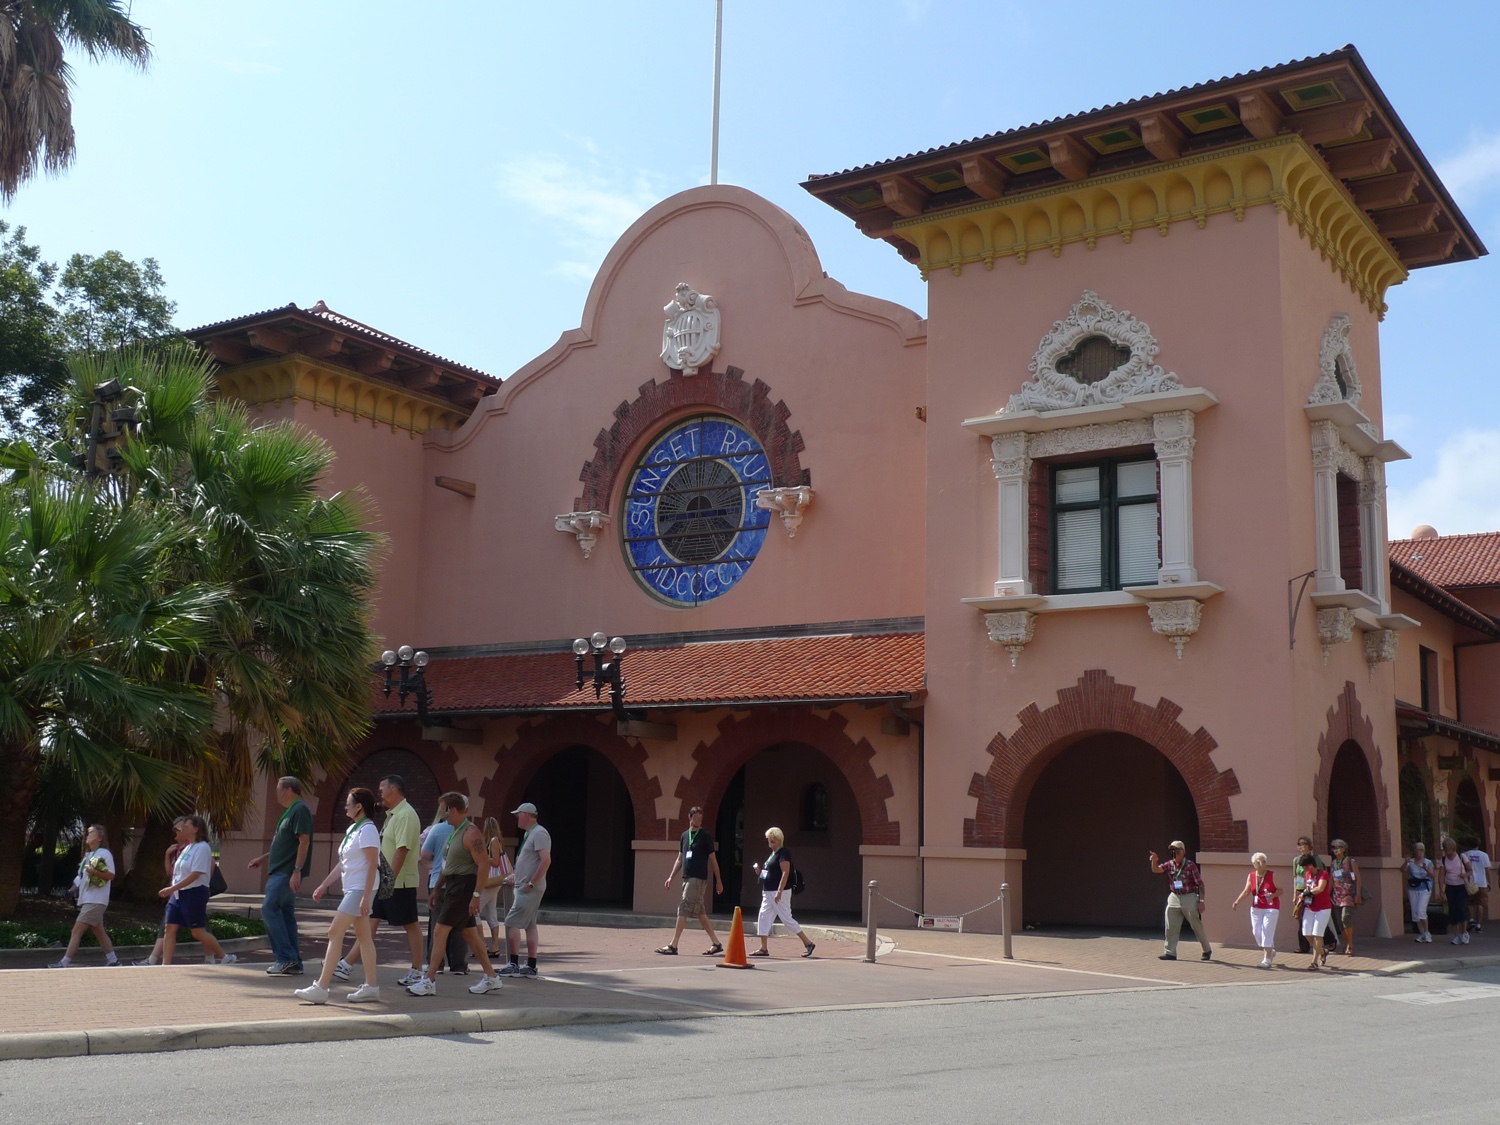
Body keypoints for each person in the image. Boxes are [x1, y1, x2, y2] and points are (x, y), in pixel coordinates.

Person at [406, 793, 503, 996]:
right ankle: (492, 977)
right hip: (451, 886)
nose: (442, 814)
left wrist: (476, 894)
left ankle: (429, 980)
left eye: (444, 810)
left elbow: (484, 864)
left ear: (454, 810)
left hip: (464, 887)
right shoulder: (454, 832)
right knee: (470, 934)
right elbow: (447, 866)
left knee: (440, 931)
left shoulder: (471, 833)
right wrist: (437, 889)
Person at [337, 774, 425, 987]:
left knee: (410, 923)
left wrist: (389, 879)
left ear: (394, 790)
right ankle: (346, 965)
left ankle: (417, 970)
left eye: (382, 788)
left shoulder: (405, 815)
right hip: (384, 881)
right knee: (370, 921)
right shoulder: (393, 815)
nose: (380, 792)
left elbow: (402, 850)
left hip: (399, 882)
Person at [295, 788, 382, 1003]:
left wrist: (364, 897)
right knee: (363, 937)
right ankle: (372, 987)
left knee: (334, 932)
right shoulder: (354, 829)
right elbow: (344, 863)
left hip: (360, 889)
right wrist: (324, 885)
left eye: (348, 803)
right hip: (353, 887)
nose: (345, 806)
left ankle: (321, 988)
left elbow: (373, 864)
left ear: (359, 806)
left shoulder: (368, 829)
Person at [247, 776, 312, 975]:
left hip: (285, 873)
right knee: (284, 915)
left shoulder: (299, 809)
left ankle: (285, 958)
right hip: (281, 871)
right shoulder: (289, 812)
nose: (276, 792)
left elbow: (304, 842)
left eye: (279, 788)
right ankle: (293, 962)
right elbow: (284, 844)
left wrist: (297, 871)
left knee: (269, 909)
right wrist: (264, 858)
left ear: (289, 790)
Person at [159, 815, 235, 966]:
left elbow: (196, 874)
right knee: (169, 928)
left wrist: (172, 888)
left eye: (186, 826)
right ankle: (165, 965)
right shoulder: (188, 847)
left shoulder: (203, 847)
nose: (181, 828)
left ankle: (224, 957)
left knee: (197, 932)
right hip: (178, 894)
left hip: (194, 893)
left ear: (196, 829)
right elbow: (178, 872)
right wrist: (174, 890)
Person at [657, 805, 725, 956]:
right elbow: (680, 859)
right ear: (690, 817)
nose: (699, 821)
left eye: (701, 818)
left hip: (698, 879)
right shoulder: (684, 836)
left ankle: (673, 945)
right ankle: (716, 943)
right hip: (687, 878)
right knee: (700, 913)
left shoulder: (705, 836)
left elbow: (713, 860)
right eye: (696, 818)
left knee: (683, 908)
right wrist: (670, 877)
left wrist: (718, 880)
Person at [50, 825, 119, 968]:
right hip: (89, 899)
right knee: (99, 931)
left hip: (96, 900)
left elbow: (111, 875)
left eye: (91, 832)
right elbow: (81, 877)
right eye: (87, 832)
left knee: (76, 930)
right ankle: (113, 960)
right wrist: (71, 890)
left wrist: (94, 871)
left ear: (99, 838)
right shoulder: (88, 856)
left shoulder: (104, 854)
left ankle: (64, 963)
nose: (87, 834)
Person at [499, 801, 552, 978]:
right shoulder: (531, 833)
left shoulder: (539, 833)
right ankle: (530, 965)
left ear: (528, 815)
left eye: (519, 814)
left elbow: (545, 860)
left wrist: (531, 883)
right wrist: (516, 876)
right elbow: (529, 861)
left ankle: (513, 963)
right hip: (524, 886)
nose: (516, 817)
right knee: (530, 925)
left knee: (511, 922)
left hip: (528, 888)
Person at [419, 798, 469, 974]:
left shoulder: (437, 829)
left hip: (437, 881)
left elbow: (424, 853)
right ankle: (459, 965)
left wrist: (433, 862)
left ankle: (436, 963)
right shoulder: (468, 830)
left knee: (437, 925)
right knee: (459, 926)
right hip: (461, 882)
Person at [750, 826, 816, 958]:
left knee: (786, 918)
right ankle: (763, 948)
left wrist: (779, 891)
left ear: (779, 841)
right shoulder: (772, 854)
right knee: (763, 916)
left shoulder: (784, 853)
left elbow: (785, 872)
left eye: (773, 841)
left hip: (779, 891)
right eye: (770, 840)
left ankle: (808, 943)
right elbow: (770, 873)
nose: (770, 843)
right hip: (768, 891)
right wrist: (759, 872)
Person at [133, 821, 186, 966]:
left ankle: (217, 957)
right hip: (175, 895)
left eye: (178, 827)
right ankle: (155, 960)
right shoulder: (176, 850)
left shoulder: (194, 849)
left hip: (189, 896)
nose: (175, 831)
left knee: (200, 930)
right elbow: (170, 873)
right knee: (167, 926)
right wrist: (167, 854)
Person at [1149, 840, 1210, 961]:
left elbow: (1201, 885)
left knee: (1195, 924)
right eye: (1172, 851)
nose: (1174, 853)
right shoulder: (1170, 864)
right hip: (1174, 896)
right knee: (1170, 924)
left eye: (1177, 850)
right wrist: (1154, 861)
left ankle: (1206, 949)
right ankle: (1170, 952)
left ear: (1183, 852)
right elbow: (1156, 870)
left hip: (1189, 896)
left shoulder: (1190, 865)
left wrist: (1202, 902)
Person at [1230, 851, 1279, 968]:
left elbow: (1281, 890)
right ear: (1254, 863)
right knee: (1257, 932)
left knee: (1267, 930)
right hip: (1256, 908)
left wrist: (1272, 895)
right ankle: (1270, 949)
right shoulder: (1251, 875)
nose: (1261, 863)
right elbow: (1247, 890)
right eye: (1258, 861)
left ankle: (1267, 959)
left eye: (1263, 861)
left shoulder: (1272, 875)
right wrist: (1237, 901)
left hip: (1271, 907)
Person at [478, 817, 509, 958]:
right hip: (494, 883)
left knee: (474, 910)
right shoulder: (496, 840)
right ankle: (494, 947)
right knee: (491, 912)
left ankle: (481, 945)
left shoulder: (493, 841)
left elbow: (496, 862)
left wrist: (482, 857)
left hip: (491, 881)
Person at [1326, 838, 1362, 957]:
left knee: (1345, 918)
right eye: (1334, 848)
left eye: (1338, 848)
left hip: (1348, 894)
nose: (1335, 850)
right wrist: (1327, 894)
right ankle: (1346, 945)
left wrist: (1358, 895)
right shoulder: (1333, 863)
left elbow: (1357, 879)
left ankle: (1350, 945)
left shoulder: (1351, 862)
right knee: (1339, 922)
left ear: (1344, 849)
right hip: (1336, 895)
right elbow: (1331, 880)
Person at [1434, 836, 1473, 946]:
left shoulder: (1461, 856)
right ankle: (1456, 935)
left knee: (1460, 908)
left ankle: (1464, 933)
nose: (1446, 851)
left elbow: (1470, 870)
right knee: (1453, 910)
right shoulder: (1444, 859)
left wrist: (1465, 875)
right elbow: (1441, 875)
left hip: (1461, 886)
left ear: (1452, 848)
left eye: (1447, 849)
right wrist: (1441, 890)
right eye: (1445, 849)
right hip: (1450, 887)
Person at [1290, 837, 1325, 955]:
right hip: (1301, 890)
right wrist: (1295, 894)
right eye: (1299, 844)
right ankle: (1304, 947)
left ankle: (1328, 940)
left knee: (1314, 916)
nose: (1301, 847)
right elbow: (1296, 877)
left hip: (1312, 890)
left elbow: (1319, 874)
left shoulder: (1315, 859)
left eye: (1304, 844)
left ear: (1309, 846)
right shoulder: (1296, 860)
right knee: (1300, 917)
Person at [1301, 858, 1333, 970]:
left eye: (1305, 867)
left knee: (1317, 934)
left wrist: (1307, 893)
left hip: (1323, 908)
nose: (1305, 869)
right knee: (1306, 933)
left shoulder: (1323, 874)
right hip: (1309, 907)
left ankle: (1314, 962)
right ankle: (1322, 951)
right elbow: (1306, 886)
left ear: (1311, 865)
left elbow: (1320, 888)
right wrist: (1301, 895)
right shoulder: (1307, 874)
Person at [1406, 842, 1436, 943]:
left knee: (1421, 910)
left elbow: (1432, 875)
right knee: (1415, 912)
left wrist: (1425, 869)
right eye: (1417, 850)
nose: (1419, 852)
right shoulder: (1411, 862)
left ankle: (1427, 933)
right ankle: (1422, 933)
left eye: (1421, 850)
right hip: (1413, 888)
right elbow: (1402, 871)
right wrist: (1405, 862)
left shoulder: (1428, 862)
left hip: (1424, 888)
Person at [1462, 841, 1491, 933]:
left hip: (1470, 882)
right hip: (1482, 882)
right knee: (1480, 904)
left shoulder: (1465, 854)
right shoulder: (1484, 855)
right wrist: (1489, 882)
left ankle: (1471, 920)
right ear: (1478, 845)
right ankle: (1478, 925)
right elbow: (1487, 870)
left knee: (1470, 902)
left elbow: (1463, 868)